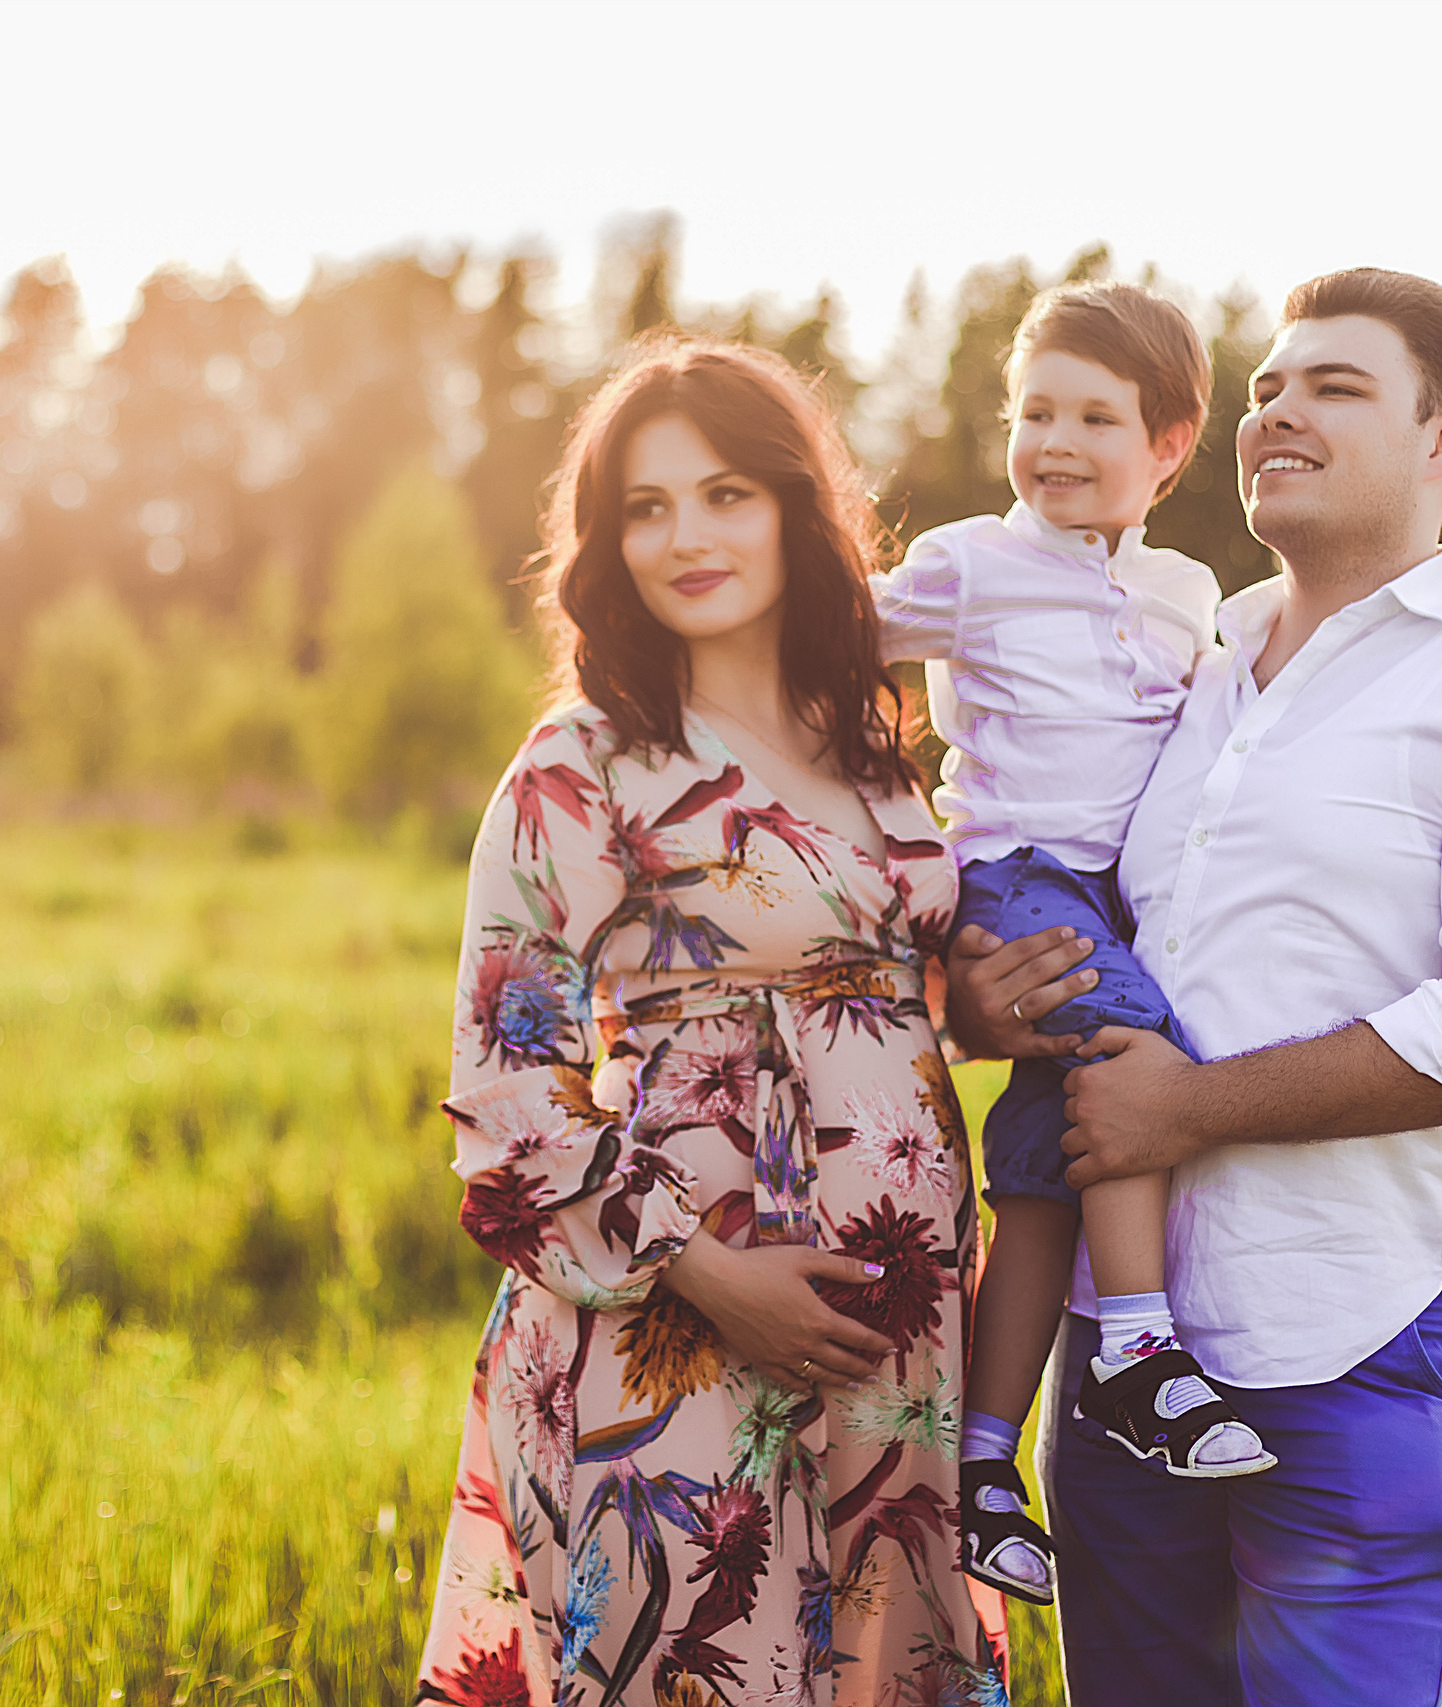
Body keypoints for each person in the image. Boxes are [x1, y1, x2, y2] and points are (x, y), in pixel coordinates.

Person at [948, 269, 1442, 1703]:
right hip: (1114, 1361)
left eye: (1334, 386)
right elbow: (1060, 909)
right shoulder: (1174, 663)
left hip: (1362, 1342)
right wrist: (981, 1005)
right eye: (1268, 386)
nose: (1277, 409)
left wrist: (1191, 1110)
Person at [414, 339, 1005, 1707]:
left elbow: (888, 1005)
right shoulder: (583, 766)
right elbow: (506, 1096)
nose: (686, 537)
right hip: (678, 1326)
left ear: (798, 509)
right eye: (646, 506)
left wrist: (990, 1002)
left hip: (896, 1345)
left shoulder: (868, 736)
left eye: (726, 493)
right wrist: (705, 1274)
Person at [870, 281, 1274, 1612]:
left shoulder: (1185, 590)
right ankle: (1140, 1352)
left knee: (1042, 1177)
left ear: (1168, 447)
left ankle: (985, 1470)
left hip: (1116, 897)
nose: (1054, 437)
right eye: (1034, 408)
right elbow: (840, 630)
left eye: (1095, 416)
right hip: (1017, 871)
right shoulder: (971, 566)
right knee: (1135, 1056)